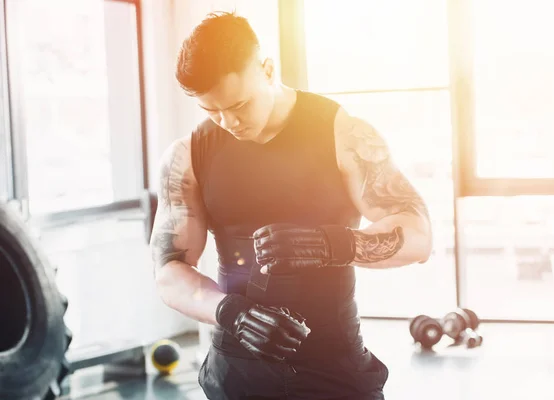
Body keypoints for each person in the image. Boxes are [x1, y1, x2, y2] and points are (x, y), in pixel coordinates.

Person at [150, 11, 432, 400]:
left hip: (332, 364)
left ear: (267, 69)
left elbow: (418, 235)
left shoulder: (341, 133)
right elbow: (169, 270)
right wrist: (230, 312)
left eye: (239, 104)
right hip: (236, 368)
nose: (228, 121)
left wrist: (332, 245)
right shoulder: (189, 155)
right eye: (211, 110)